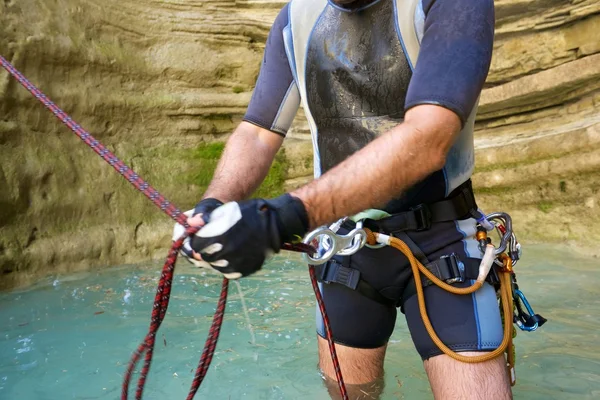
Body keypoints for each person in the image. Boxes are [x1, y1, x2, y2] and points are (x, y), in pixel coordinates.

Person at [174, 0, 511, 398]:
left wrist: (285, 216)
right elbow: (257, 132)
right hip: (345, 246)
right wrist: (212, 204)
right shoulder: (294, 19)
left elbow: (427, 139)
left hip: (444, 239)